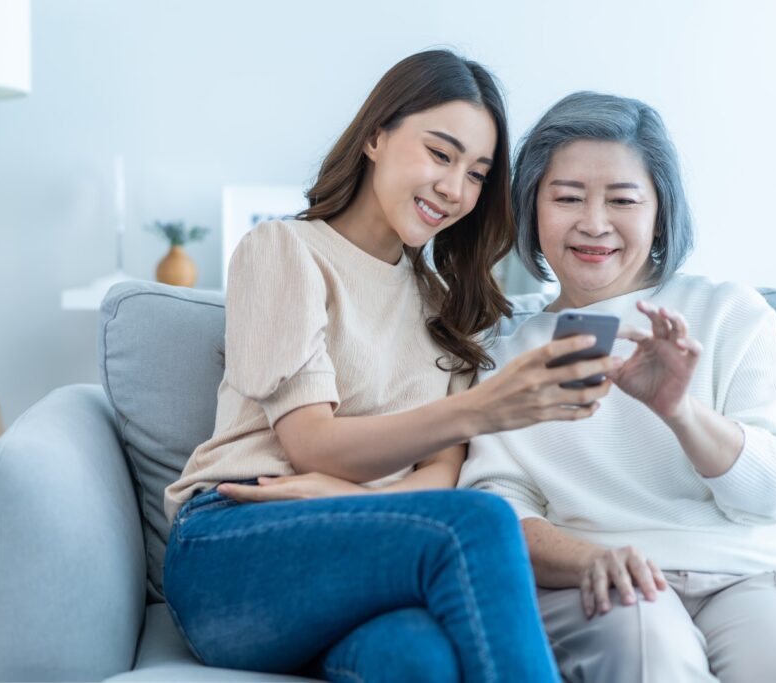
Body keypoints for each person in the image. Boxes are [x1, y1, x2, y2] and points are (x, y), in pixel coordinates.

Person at [162, 51, 622, 683]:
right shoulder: (285, 250)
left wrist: (348, 500)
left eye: (477, 174)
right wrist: (479, 409)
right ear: (377, 136)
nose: (455, 189)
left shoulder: (446, 306)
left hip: (364, 561)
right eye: (440, 154)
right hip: (238, 542)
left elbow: (444, 472)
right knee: (484, 524)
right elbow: (311, 443)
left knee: (417, 660)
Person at [459, 91, 776, 682]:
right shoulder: (503, 355)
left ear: (660, 211)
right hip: (603, 575)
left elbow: (773, 493)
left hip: (755, 570)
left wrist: (680, 411)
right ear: (530, 209)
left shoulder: (728, 312)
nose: (594, 223)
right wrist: (591, 559)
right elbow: (498, 509)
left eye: (623, 199)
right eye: (567, 198)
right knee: (650, 658)